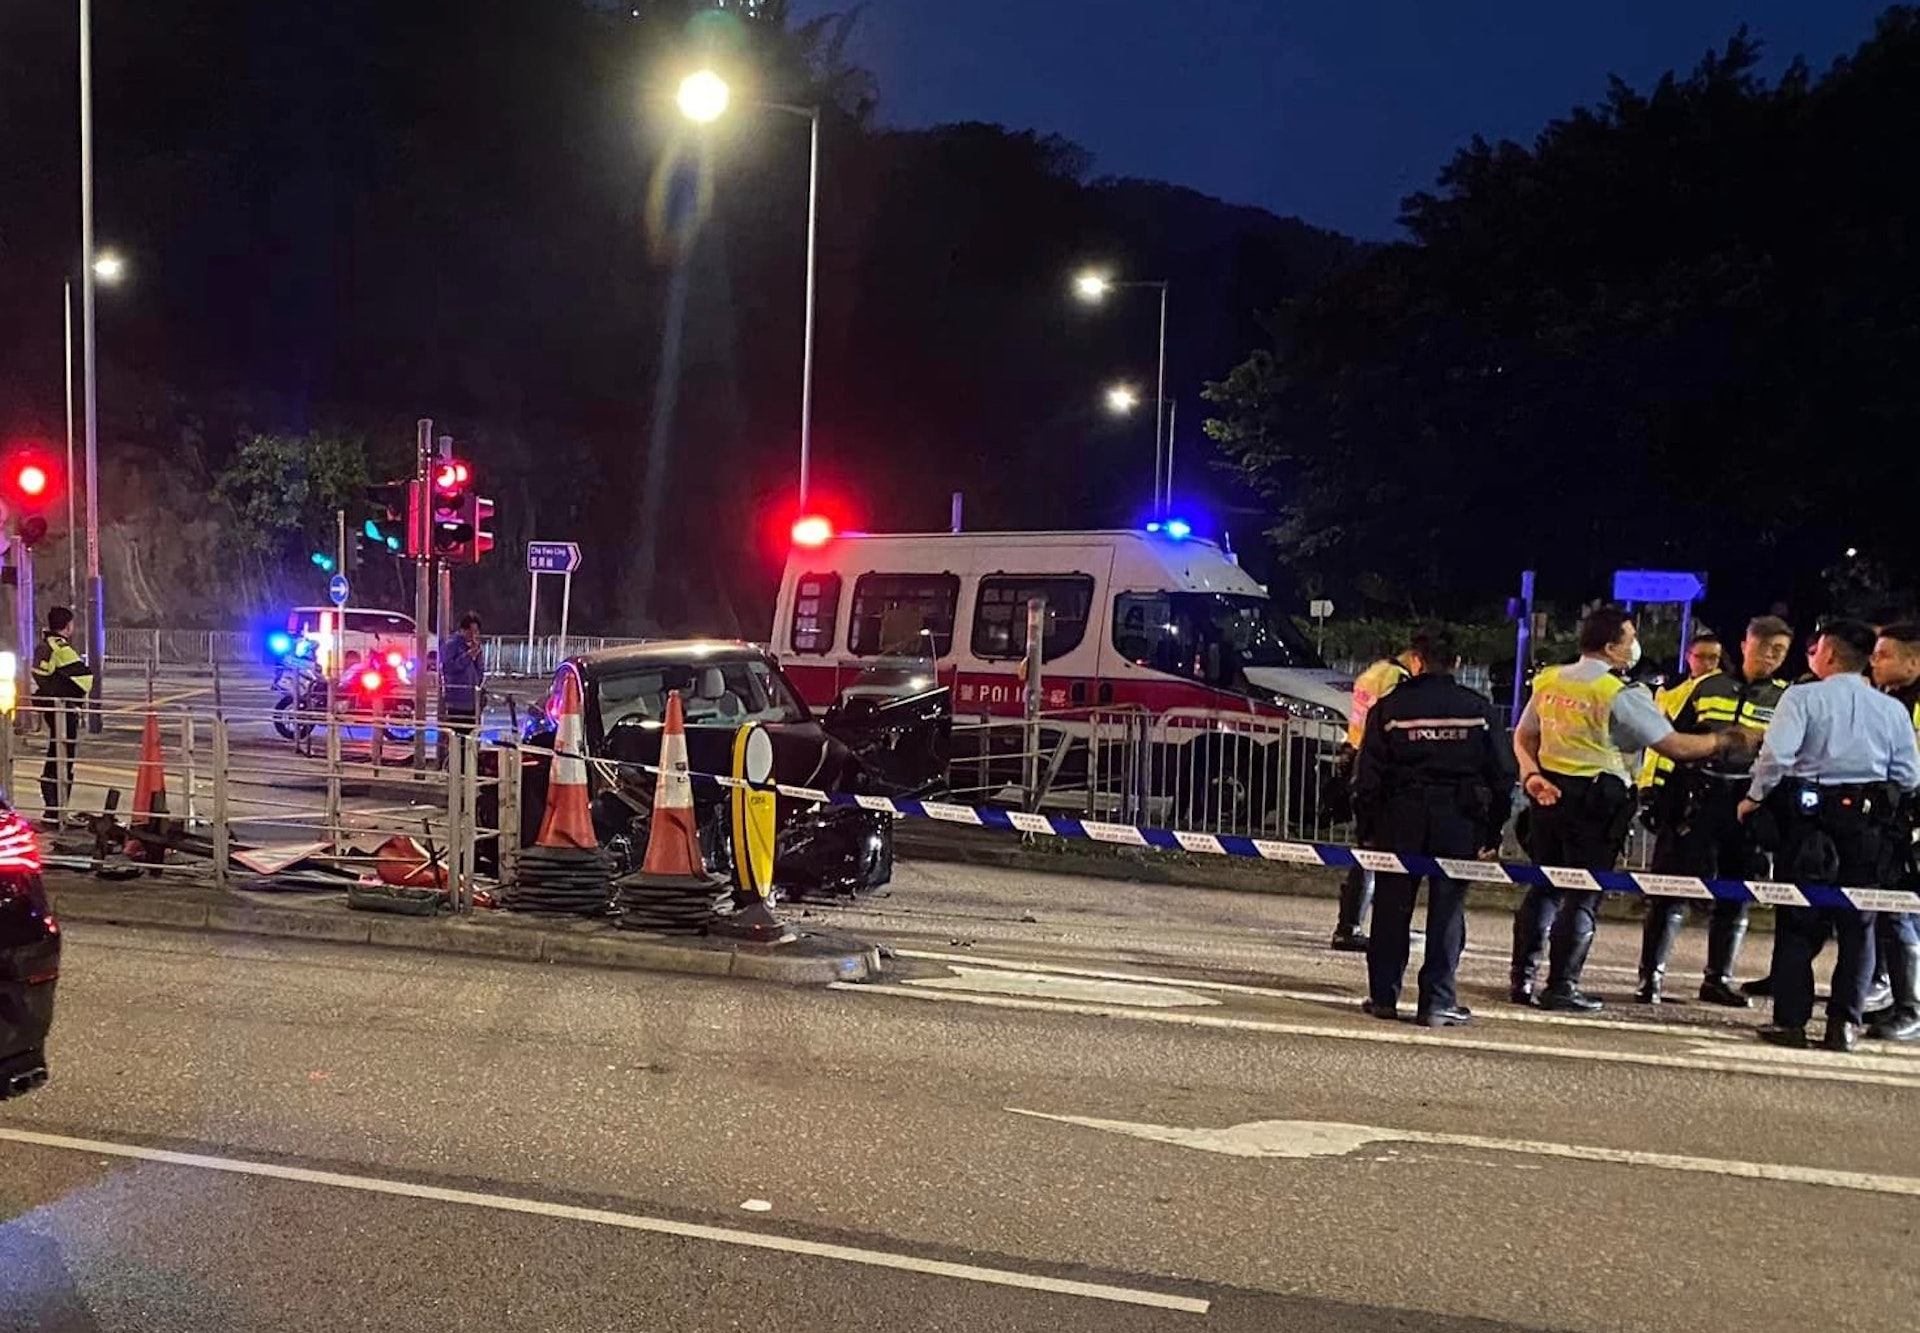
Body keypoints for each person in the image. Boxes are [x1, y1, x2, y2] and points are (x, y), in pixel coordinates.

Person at [1510, 608, 1756, 1012]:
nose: (1635, 645)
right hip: (1597, 802)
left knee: (1544, 887)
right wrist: (1724, 741)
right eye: (1630, 638)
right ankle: (1562, 986)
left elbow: (1524, 736)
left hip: (1549, 795)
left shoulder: (1551, 679)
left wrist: (1532, 774)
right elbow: (1675, 746)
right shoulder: (1618, 693)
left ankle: (1521, 979)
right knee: (1583, 894)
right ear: (1611, 647)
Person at [1739, 619, 1920, 1052]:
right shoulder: (1892, 710)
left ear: (1831, 654)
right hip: (1868, 826)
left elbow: (1776, 756)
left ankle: (1791, 1022)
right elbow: (1908, 775)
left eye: (1817, 648)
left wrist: (1753, 798)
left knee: (1798, 921)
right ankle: (1844, 1026)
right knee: (1859, 925)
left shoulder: (1802, 697)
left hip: (1809, 823)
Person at [1352, 626, 1514, 1026]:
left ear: (1416, 661)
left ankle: (1384, 996)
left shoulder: (1390, 708)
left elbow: (1367, 778)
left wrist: (1368, 828)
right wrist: (1492, 830)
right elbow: (1502, 774)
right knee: (1448, 910)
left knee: (1391, 908)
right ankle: (1437, 1001)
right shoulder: (1477, 709)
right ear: (1456, 663)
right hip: (1460, 818)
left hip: (1399, 816)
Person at [1634, 617, 1794, 1006]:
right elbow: (1670, 741)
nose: (1771, 656)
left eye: (1780, 651)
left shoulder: (1786, 698)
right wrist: (1653, 791)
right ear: (1745, 645)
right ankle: (1650, 979)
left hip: (1746, 800)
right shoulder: (1707, 687)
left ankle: (1718, 980)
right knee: (1670, 889)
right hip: (1696, 796)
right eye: (1764, 646)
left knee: (1736, 891)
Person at [1329, 644, 1418, 950]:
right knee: (1376, 852)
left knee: (1368, 848)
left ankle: (1354, 922)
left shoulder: (1373, 671)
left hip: (1358, 755)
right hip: (1378, 765)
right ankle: (1352, 926)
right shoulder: (1396, 677)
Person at [1862, 622, 1920, 1041]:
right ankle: (1898, 997)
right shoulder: (1891, 699)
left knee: (1901, 911)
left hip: (1914, 822)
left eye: (1884, 654)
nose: (1874, 661)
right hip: (1895, 820)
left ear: (1913, 663)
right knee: (1890, 909)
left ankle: (1911, 1007)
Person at [31, 606, 94, 825]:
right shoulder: (59, 647)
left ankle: (54, 809)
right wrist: (64, 695)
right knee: (63, 756)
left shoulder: (44, 646)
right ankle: (56, 811)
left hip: (54, 708)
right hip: (63, 709)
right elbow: (84, 678)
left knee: (56, 753)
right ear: (68, 626)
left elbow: (39, 675)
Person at [438, 612, 485, 763]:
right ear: (463, 630)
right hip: (457, 699)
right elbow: (448, 668)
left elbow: (480, 671)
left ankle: (468, 766)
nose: (473, 635)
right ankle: (455, 766)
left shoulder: (474, 647)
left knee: (471, 738)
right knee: (458, 738)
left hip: (472, 700)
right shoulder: (452, 644)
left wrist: (477, 656)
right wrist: (467, 656)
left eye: (476, 631)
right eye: (471, 631)